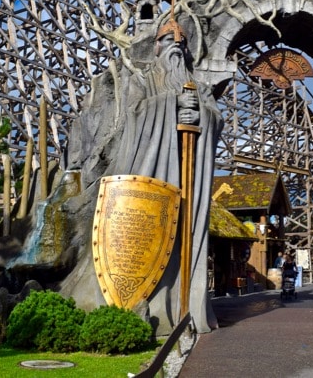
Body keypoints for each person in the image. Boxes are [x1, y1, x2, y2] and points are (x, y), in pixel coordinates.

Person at [62, 17, 223, 334]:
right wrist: (170, 105)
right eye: (169, 41)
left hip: (188, 180)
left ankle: (185, 303)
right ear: (158, 45)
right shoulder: (142, 81)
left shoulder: (198, 88)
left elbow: (214, 119)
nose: (175, 47)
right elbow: (133, 117)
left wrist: (200, 114)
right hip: (152, 180)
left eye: (181, 43)